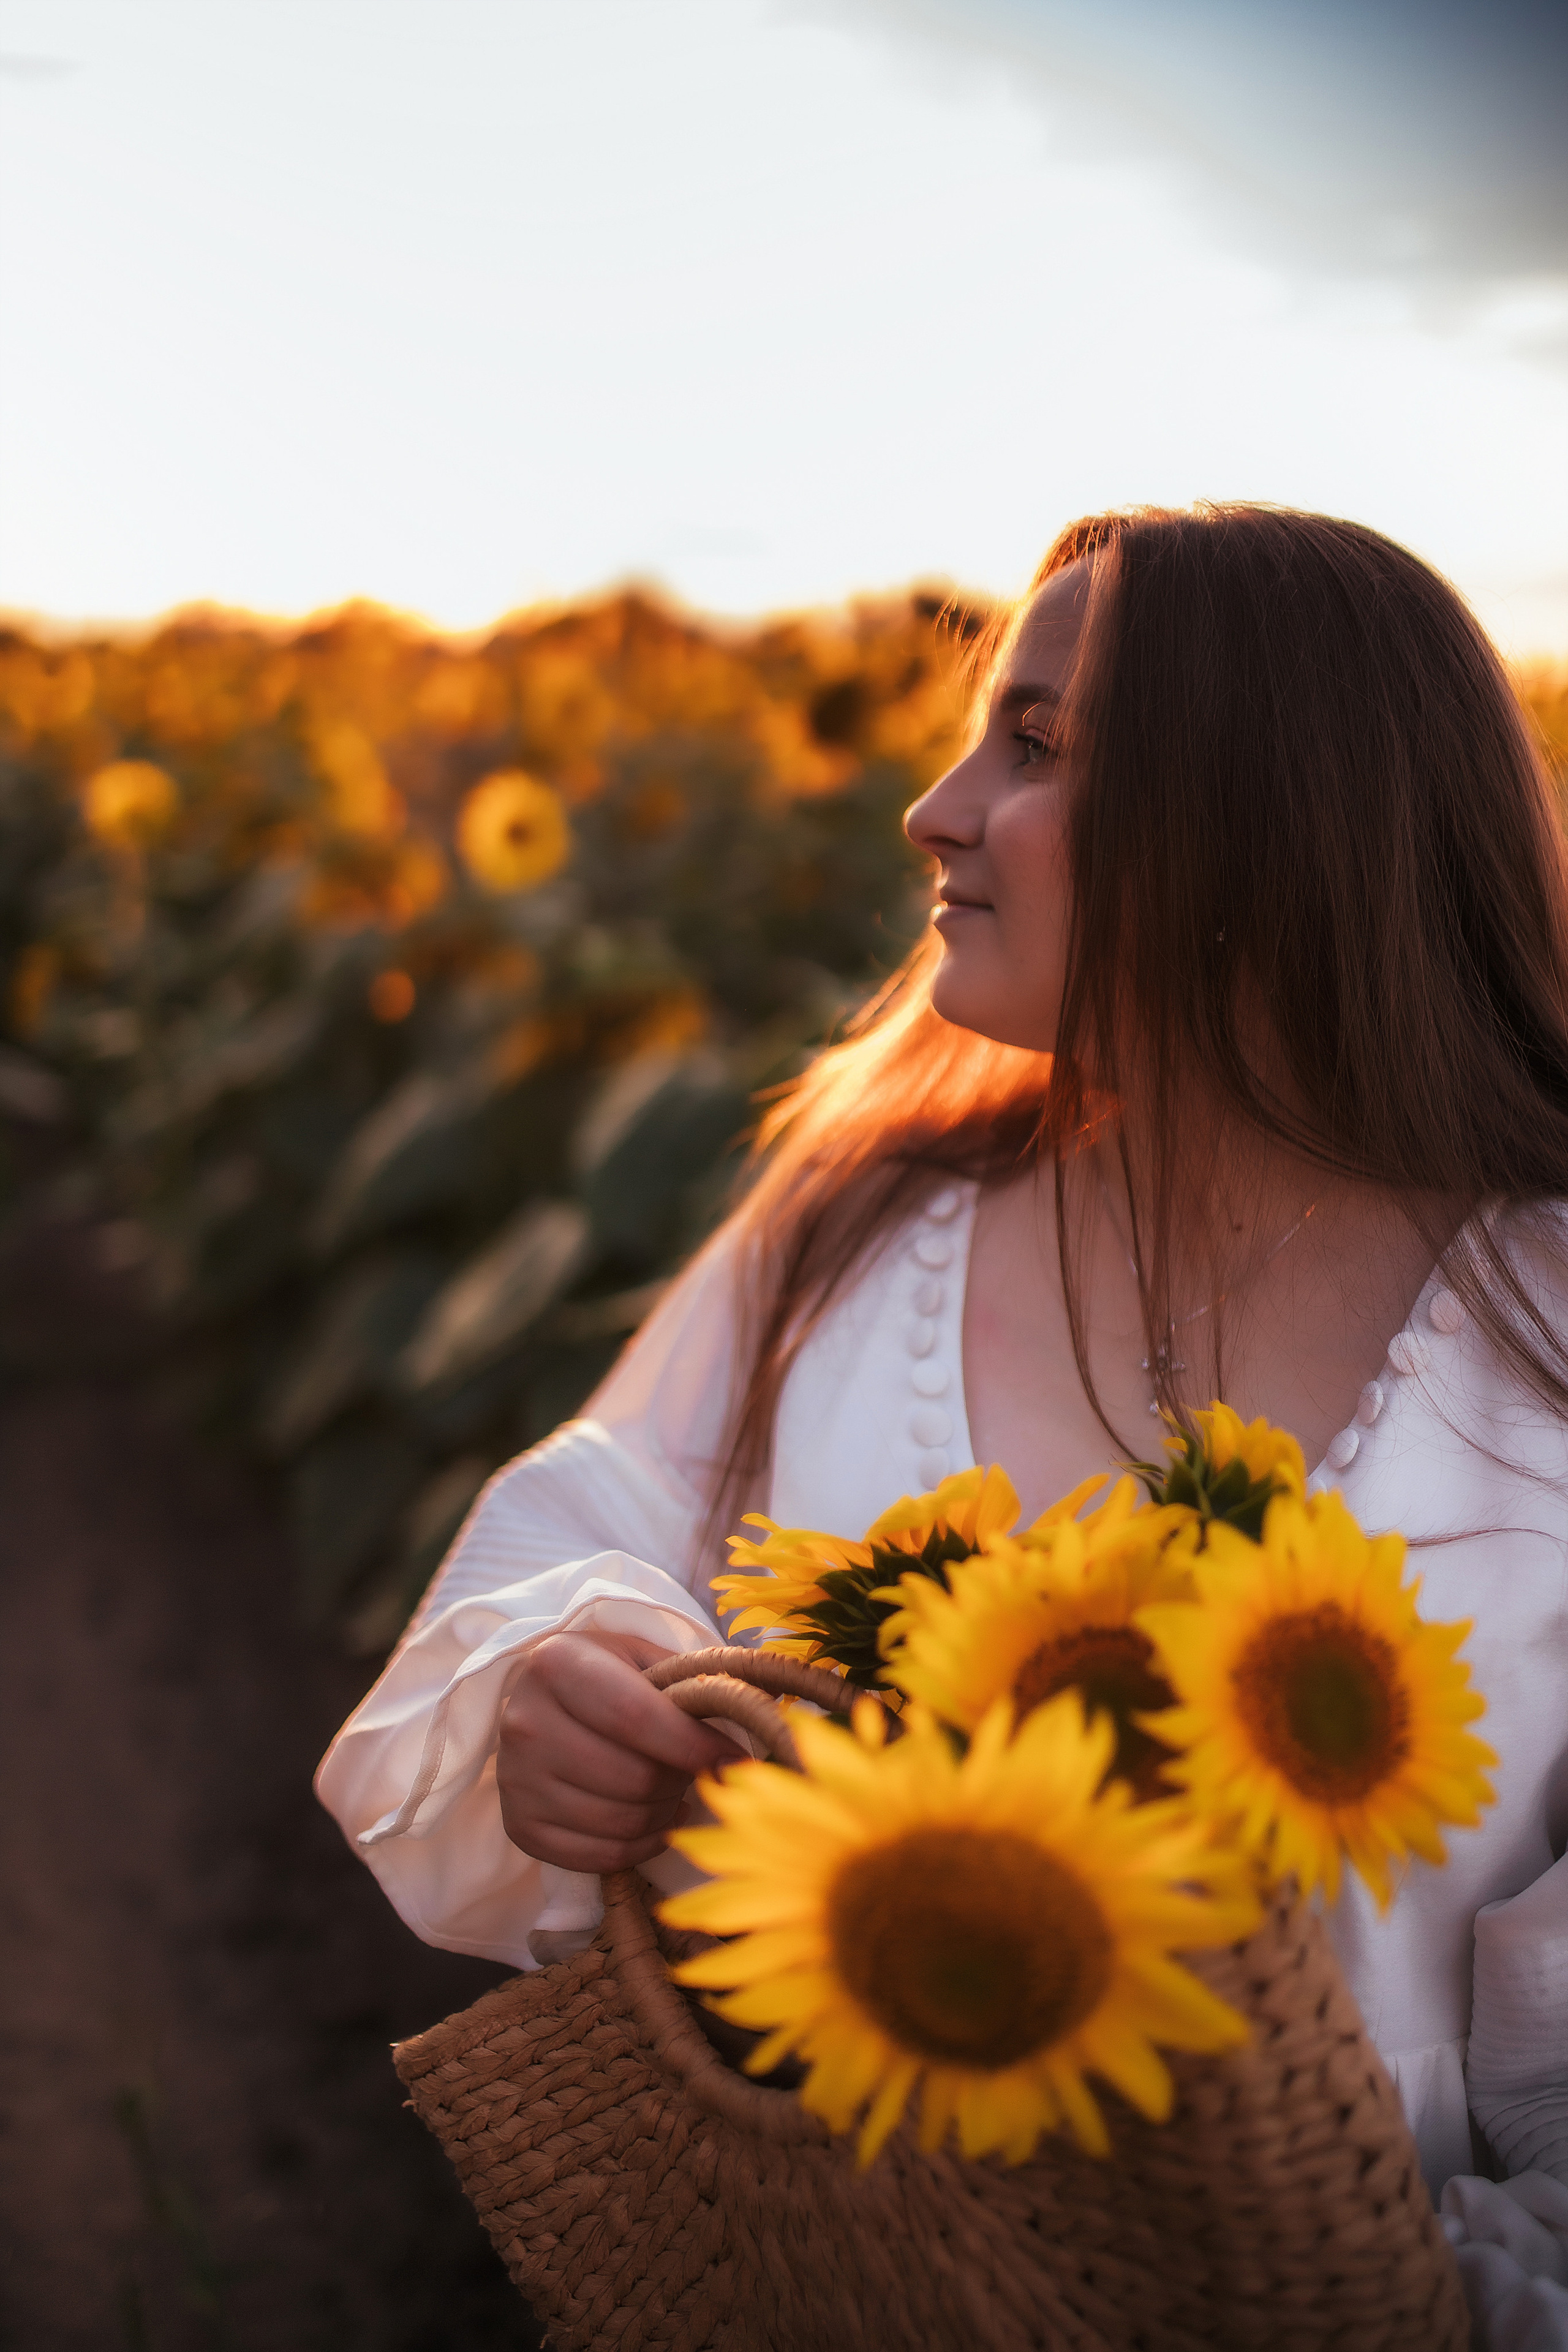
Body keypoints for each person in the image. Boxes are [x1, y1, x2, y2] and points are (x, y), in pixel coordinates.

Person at [318, 505, 1568, 2345]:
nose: (939, 806)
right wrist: (573, 1677)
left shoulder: (1544, 1329)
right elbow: (591, 1512)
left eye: (1040, 747)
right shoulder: (852, 1231)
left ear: (1268, 820)